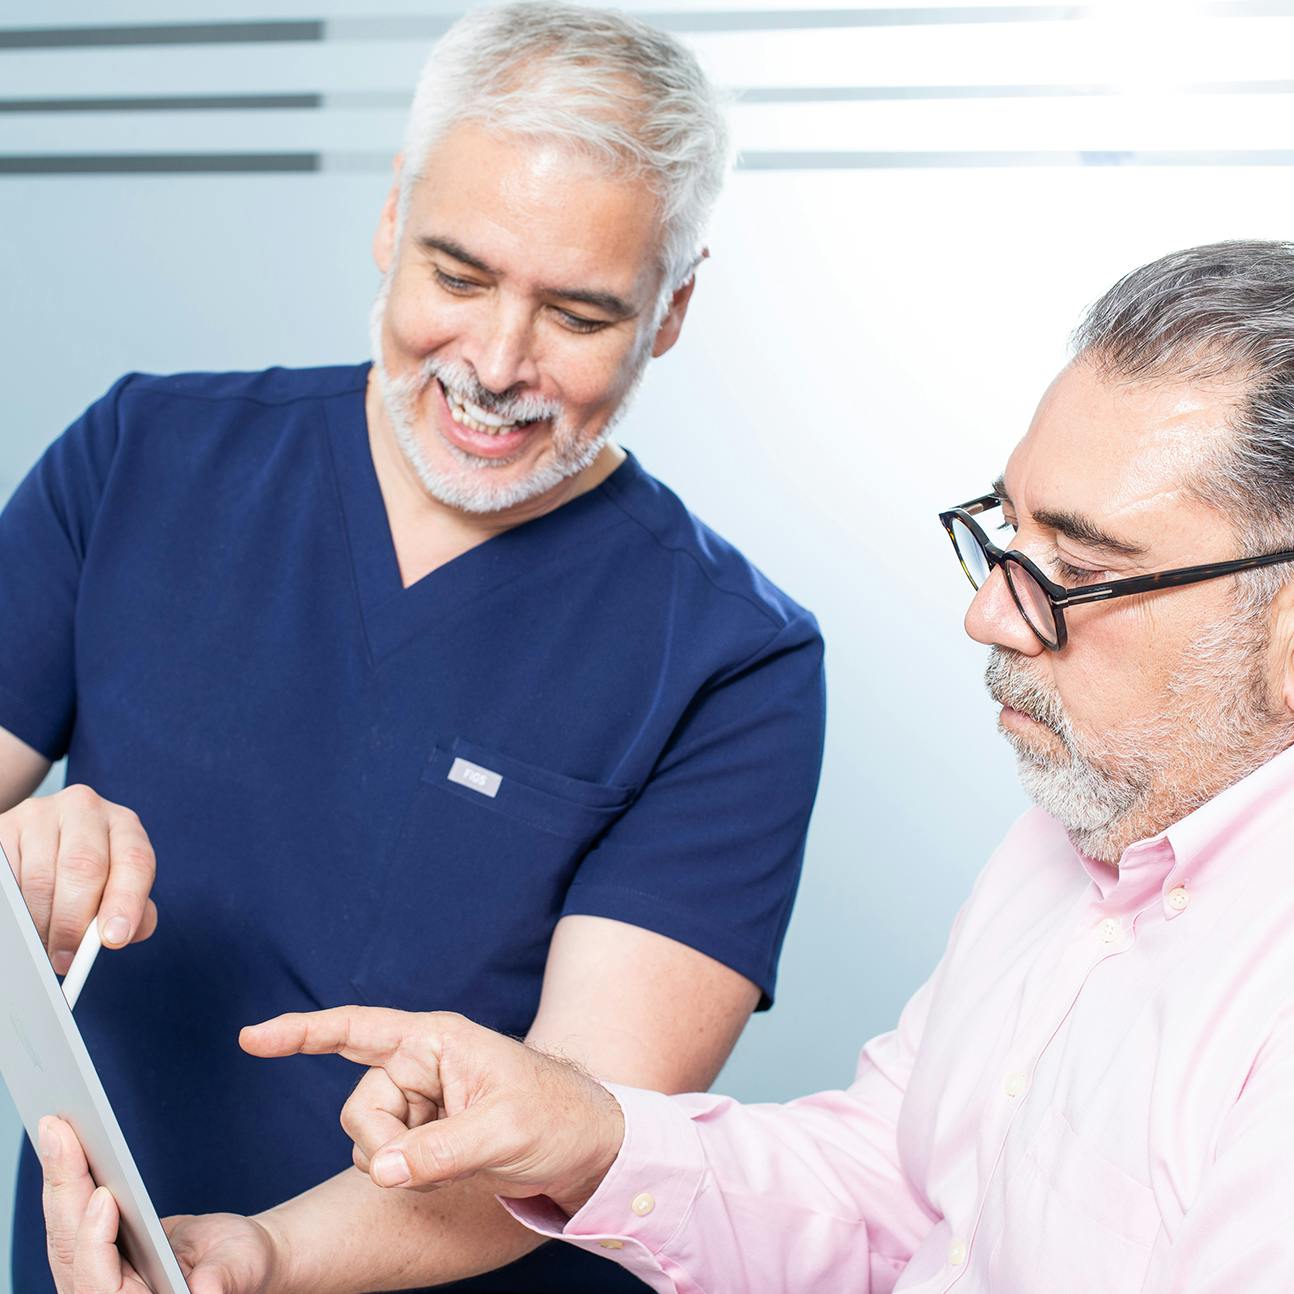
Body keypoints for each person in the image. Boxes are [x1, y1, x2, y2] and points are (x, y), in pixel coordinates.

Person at [42, 240, 1294, 1293]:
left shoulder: (723, 648)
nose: (989, 617)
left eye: (1072, 574)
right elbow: (890, 1190)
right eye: (1001, 532)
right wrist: (585, 1133)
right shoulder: (1071, 840)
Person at [7, 6, 827, 1292]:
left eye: (579, 313)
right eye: (457, 275)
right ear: (392, 219)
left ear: (671, 310)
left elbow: (582, 1121)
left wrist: (266, 1257)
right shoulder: (139, 460)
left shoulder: (735, 658)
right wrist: (18, 864)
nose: (496, 363)